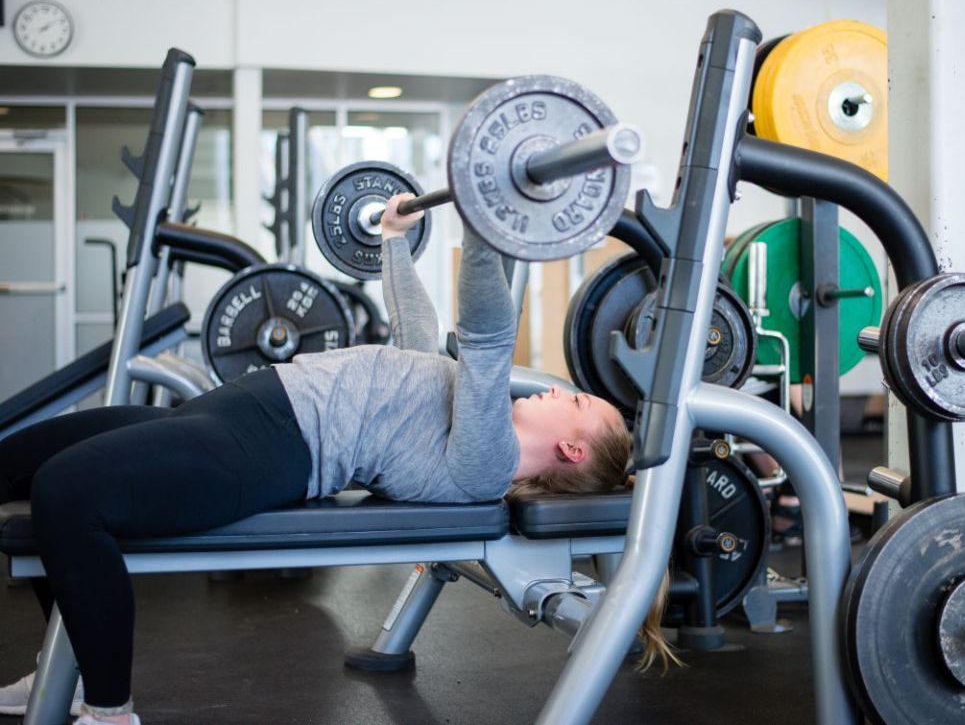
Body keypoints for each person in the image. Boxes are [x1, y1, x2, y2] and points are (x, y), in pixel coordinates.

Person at [0, 194, 633, 725]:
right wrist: (392, 240)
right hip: (228, 413)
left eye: (574, 400)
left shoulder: (487, 462)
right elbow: (416, 334)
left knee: (67, 492)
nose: (556, 388)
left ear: (571, 448)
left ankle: (109, 708)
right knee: (14, 463)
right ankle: (69, 668)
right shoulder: (468, 418)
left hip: (266, 447)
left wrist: (483, 218)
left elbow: (489, 334)